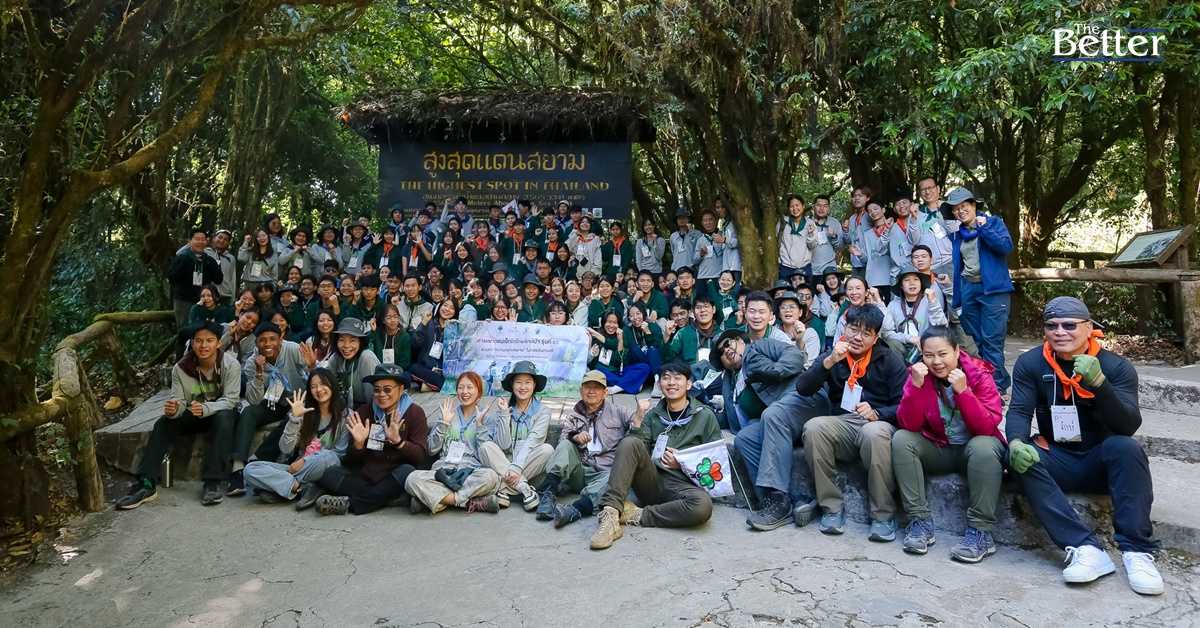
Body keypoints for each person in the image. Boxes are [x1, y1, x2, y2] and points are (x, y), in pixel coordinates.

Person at [1005, 297, 1163, 595]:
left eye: (1069, 325)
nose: (1059, 332)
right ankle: (1084, 548)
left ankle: (1137, 551)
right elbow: (1019, 411)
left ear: (1089, 328)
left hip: (1101, 460)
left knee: (1127, 448)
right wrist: (1014, 442)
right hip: (1058, 457)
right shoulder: (1031, 363)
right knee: (1017, 454)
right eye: (1051, 325)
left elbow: (1128, 425)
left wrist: (1100, 383)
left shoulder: (1116, 366)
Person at [893, 327, 1006, 561]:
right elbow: (908, 424)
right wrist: (915, 387)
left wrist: (963, 391)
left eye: (943, 354)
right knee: (902, 439)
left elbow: (987, 427)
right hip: (939, 449)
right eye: (928, 355)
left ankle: (981, 532)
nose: (936, 362)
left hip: (972, 452)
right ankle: (920, 522)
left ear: (956, 351)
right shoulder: (918, 376)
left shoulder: (979, 375)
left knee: (985, 446)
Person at [795, 305, 906, 538]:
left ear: (876, 337)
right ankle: (831, 508)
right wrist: (829, 361)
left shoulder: (890, 360)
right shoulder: (835, 354)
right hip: (845, 424)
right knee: (814, 427)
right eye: (853, 329)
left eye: (866, 333)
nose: (857, 337)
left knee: (873, 433)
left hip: (879, 425)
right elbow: (803, 388)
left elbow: (905, 406)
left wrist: (878, 413)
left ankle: (883, 515)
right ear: (844, 328)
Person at [589, 362, 722, 549]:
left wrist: (684, 462)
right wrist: (637, 420)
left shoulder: (705, 416)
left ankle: (635, 514)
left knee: (702, 506)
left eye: (677, 378)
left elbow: (716, 459)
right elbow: (635, 452)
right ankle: (610, 516)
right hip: (652, 481)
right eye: (666, 378)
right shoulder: (652, 416)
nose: (671, 383)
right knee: (629, 442)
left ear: (688, 384)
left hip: (684, 487)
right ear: (659, 385)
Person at [115, 322, 240, 509]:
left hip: (221, 412)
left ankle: (212, 482)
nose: (204, 345)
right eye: (199, 341)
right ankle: (146, 483)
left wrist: (206, 408)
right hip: (194, 413)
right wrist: (174, 410)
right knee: (163, 423)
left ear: (219, 343)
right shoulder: (181, 368)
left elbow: (231, 400)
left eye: (209, 341)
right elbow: (180, 401)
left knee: (224, 419)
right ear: (192, 343)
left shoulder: (230, 365)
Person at [716, 327, 829, 526]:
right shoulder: (731, 384)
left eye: (727, 343)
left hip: (804, 399)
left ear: (739, 341)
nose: (726, 350)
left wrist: (776, 373)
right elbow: (729, 417)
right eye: (720, 352)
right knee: (744, 438)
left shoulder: (759, 347)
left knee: (772, 414)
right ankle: (780, 503)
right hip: (778, 421)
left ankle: (778, 501)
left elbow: (794, 355)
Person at [535, 371, 650, 528]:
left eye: (597, 388)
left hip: (605, 474)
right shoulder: (574, 415)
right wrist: (575, 437)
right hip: (580, 472)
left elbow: (640, 428)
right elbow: (563, 442)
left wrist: (639, 417)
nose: (591, 391)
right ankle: (548, 494)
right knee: (566, 444)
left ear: (605, 392)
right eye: (587, 387)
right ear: (581, 391)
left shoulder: (619, 411)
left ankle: (575, 509)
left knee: (615, 477)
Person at [314, 365, 428, 516]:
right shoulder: (364, 412)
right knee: (330, 474)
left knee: (408, 472)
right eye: (377, 390)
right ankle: (389, 498)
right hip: (368, 476)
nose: (381, 394)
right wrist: (359, 445)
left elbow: (420, 456)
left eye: (387, 389)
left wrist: (399, 442)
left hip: (396, 475)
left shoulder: (415, 412)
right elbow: (351, 460)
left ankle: (350, 505)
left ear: (401, 390)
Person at [243, 369, 347, 508]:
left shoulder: (345, 417)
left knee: (330, 457)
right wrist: (294, 420)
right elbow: (285, 448)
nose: (319, 389)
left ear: (332, 385)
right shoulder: (304, 413)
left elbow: (339, 454)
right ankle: (301, 487)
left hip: (320, 466)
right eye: (314, 386)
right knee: (250, 469)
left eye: (323, 384)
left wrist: (304, 461)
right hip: (295, 467)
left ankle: (282, 487)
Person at [227, 321, 309, 496]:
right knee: (249, 412)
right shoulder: (252, 362)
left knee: (292, 417)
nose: (268, 344)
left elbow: (314, 377)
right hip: (274, 401)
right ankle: (238, 468)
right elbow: (254, 400)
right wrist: (259, 373)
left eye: (272, 339)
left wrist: (312, 365)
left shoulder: (292, 349)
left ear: (280, 340)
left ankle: (258, 459)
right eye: (262, 340)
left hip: (300, 399)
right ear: (256, 343)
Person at [404, 372, 504, 515]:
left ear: (479, 392)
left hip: (471, 473)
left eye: (470, 387)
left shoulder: (487, 419)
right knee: (412, 479)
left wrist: (480, 425)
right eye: (461, 387)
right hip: (443, 472)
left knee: (491, 477)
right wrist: (443, 424)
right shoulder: (447, 415)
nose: (465, 392)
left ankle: (436, 500)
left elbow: (486, 452)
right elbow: (431, 449)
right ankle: (469, 503)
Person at [947, 188, 1014, 395]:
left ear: (974, 206)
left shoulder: (993, 223)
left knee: (992, 340)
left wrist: (984, 229)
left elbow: (1006, 247)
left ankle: (996, 387)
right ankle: (991, 380)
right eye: (956, 209)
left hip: (993, 290)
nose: (960, 211)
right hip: (969, 289)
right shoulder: (958, 235)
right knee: (978, 341)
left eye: (964, 206)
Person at [476, 361, 554, 511]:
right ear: (512, 385)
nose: (523, 387)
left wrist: (516, 468)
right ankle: (523, 488)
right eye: (518, 382)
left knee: (547, 450)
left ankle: (503, 489)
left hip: (526, 463)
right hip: (505, 462)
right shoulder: (505, 409)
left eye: (527, 382)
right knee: (486, 447)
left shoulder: (543, 411)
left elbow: (533, 441)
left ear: (534, 385)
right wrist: (504, 413)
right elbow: (503, 445)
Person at [887, 265, 949, 362]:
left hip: (926, 348)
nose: (912, 283)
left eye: (916, 279)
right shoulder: (893, 305)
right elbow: (886, 333)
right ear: (901, 285)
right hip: (902, 347)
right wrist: (909, 338)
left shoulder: (930, 301)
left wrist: (932, 302)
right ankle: (900, 371)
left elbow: (941, 328)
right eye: (907, 280)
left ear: (921, 283)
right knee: (891, 343)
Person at [169, 229, 225, 329]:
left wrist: (215, 267)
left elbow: (218, 280)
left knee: (203, 329)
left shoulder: (209, 260)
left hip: (204, 300)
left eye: (203, 239)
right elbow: (172, 278)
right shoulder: (182, 258)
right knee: (185, 329)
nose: (200, 242)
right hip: (185, 301)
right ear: (189, 241)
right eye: (197, 239)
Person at [588, 310, 650, 394]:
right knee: (598, 371)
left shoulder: (622, 336)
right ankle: (628, 384)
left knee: (644, 367)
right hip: (603, 374)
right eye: (609, 322)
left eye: (615, 323)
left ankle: (616, 388)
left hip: (619, 371)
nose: (611, 325)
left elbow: (621, 361)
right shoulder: (596, 338)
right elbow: (590, 365)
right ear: (603, 323)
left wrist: (620, 340)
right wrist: (592, 353)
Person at [850, 199, 892, 305]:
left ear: (883, 210)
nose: (873, 212)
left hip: (890, 278)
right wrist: (860, 255)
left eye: (875, 209)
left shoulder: (893, 229)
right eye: (869, 211)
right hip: (873, 279)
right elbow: (867, 260)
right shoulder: (868, 234)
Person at [773, 291, 821, 368]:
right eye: (783, 307)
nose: (788, 310)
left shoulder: (810, 334)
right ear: (779, 313)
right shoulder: (773, 332)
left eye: (792, 306)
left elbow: (808, 365)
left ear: (800, 312)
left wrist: (800, 341)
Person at [778, 195, 813, 283]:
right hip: (786, 267)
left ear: (803, 206)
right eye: (791, 206)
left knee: (805, 290)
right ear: (788, 208)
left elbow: (812, 246)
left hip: (805, 266)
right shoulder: (783, 222)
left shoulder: (809, 223)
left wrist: (810, 234)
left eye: (797, 205)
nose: (795, 208)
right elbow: (777, 243)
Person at [888, 195, 922, 282]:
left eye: (904, 202)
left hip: (918, 271)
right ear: (894, 209)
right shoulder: (891, 227)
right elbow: (881, 250)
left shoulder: (921, 220)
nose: (901, 206)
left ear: (912, 204)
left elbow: (915, 241)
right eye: (898, 204)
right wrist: (886, 231)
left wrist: (913, 219)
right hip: (897, 273)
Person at [808, 196, 842, 281]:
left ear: (829, 208)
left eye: (825, 206)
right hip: (810, 268)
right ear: (813, 207)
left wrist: (834, 236)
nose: (821, 208)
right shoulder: (806, 222)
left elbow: (841, 246)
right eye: (819, 205)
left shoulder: (834, 223)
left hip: (829, 268)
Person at [842, 186, 871, 279]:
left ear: (868, 198)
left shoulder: (870, 216)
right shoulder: (852, 218)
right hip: (856, 262)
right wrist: (846, 230)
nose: (857, 198)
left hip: (869, 261)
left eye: (860, 195)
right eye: (854, 196)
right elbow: (848, 240)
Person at [694, 209, 724, 295]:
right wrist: (701, 254)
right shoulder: (700, 240)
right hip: (702, 277)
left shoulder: (722, 235)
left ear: (716, 220)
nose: (708, 223)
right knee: (703, 301)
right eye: (705, 220)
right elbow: (695, 260)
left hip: (718, 276)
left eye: (711, 219)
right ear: (702, 223)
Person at [713, 197, 742, 285]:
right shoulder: (724, 224)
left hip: (736, 266)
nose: (720, 210)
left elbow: (741, 242)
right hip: (726, 266)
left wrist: (724, 240)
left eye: (723, 207)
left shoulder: (736, 222)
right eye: (717, 207)